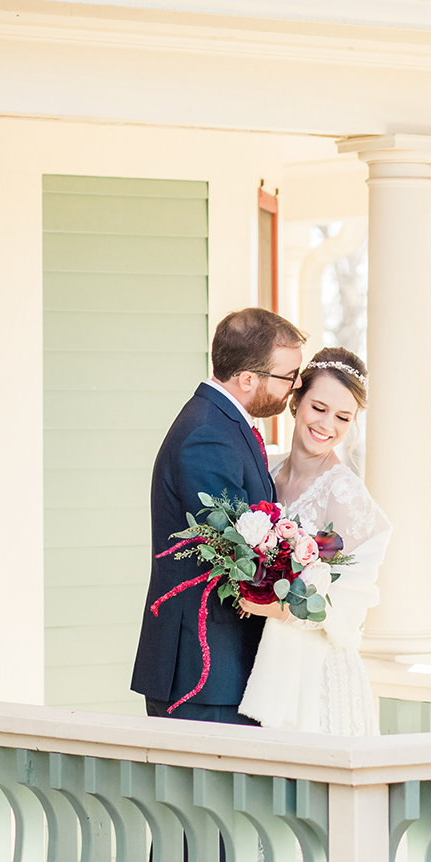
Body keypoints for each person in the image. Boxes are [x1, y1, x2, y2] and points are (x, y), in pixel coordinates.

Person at [131, 308, 305, 723]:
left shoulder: (222, 424)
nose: (296, 387)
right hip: (205, 671)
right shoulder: (208, 435)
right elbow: (239, 551)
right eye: (289, 376)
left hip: (223, 668)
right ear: (248, 379)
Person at [238, 347, 389, 735]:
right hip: (255, 660)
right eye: (319, 407)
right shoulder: (265, 469)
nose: (327, 425)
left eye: (343, 417)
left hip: (315, 677)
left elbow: (341, 602)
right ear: (296, 400)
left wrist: (268, 607)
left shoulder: (344, 494)